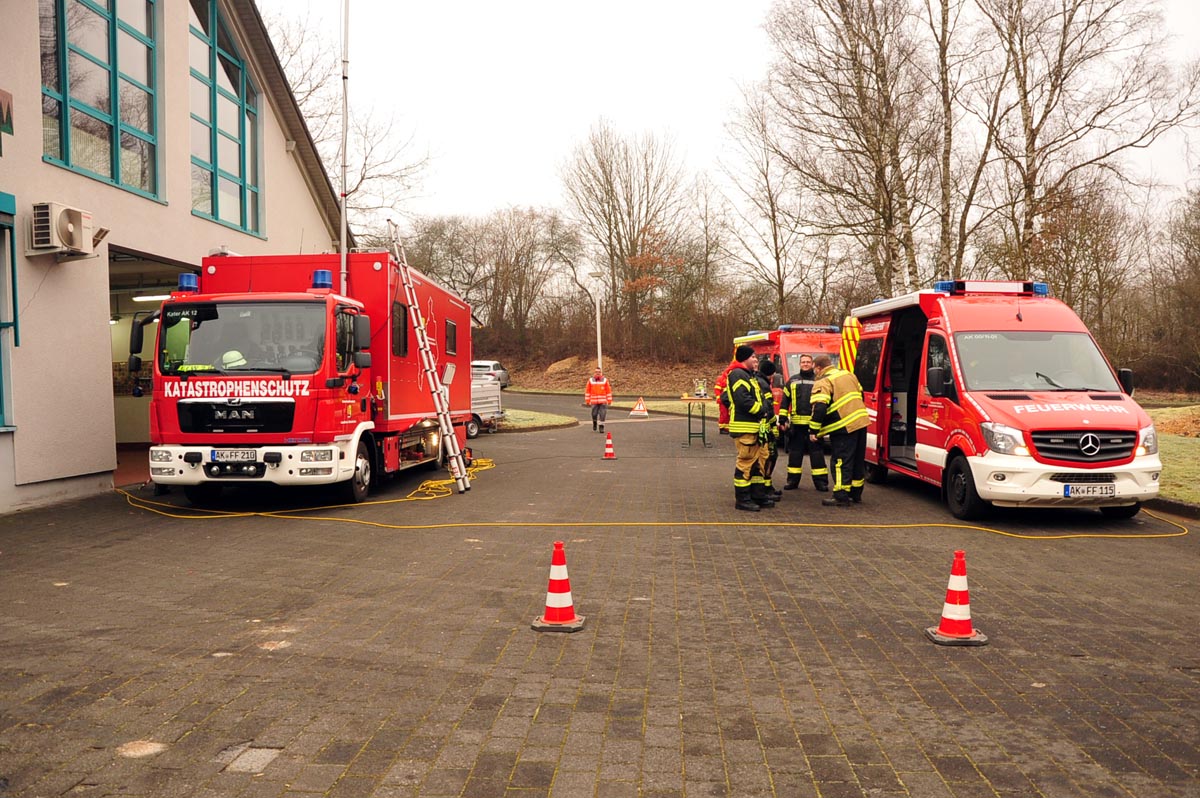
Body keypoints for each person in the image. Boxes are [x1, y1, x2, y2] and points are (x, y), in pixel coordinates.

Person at [808, 354, 869, 507]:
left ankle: (841, 495)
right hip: (861, 422)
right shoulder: (848, 375)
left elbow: (820, 407)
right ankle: (855, 493)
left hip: (843, 426)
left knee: (841, 461)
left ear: (818, 368)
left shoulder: (823, 381)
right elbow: (861, 394)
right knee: (857, 459)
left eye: (815, 369)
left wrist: (813, 430)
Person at [725, 345, 774, 511]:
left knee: (759, 461)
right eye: (753, 357)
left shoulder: (749, 376)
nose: (756, 361)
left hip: (756, 427)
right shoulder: (738, 374)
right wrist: (761, 411)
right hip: (746, 427)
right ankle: (743, 499)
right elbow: (742, 400)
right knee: (746, 462)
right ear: (744, 358)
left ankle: (757, 495)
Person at [779, 353, 829, 492]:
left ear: (812, 364)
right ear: (799, 364)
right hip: (796, 426)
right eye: (803, 362)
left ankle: (821, 483)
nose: (805, 364)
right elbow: (784, 402)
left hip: (814, 426)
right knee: (795, 455)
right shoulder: (792, 381)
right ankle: (792, 481)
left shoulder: (819, 380)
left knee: (817, 455)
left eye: (808, 362)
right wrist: (783, 419)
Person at [756, 357, 783, 501]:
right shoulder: (764, 385)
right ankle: (765, 488)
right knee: (769, 457)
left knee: (767, 457)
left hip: (762, 427)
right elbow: (769, 410)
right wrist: (774, 426)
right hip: (765, 428)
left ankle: (767, 486)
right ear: (771, 374)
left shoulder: (757, 381)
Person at [713, 355, 741, 434]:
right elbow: (717, 389)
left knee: (729, 414)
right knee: (724, 414)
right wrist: (718, 397)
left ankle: (728, 428)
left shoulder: (733, 378)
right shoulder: (722, 379)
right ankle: (722, 428)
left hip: (730, 399)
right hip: (723, 399)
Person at [584, 367, 613, 432]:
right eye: (596, 372)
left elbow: (608, 390)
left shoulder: (605, 380)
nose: (598, 373)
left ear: (601, 373)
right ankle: (594, 422)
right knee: (594, 414)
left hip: (603, 401)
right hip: (594, 401)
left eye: (599, 372)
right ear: (594, 373)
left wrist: (609, 400)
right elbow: (587, 391)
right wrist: (587, 400)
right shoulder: (591, 380)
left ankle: (601, 426)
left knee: (603, 414)